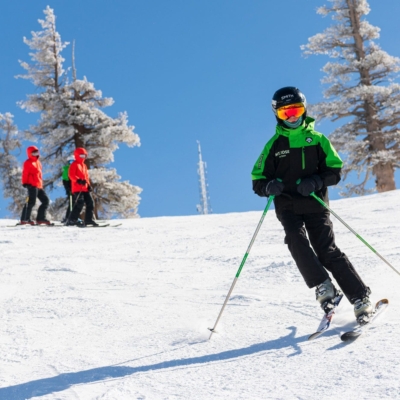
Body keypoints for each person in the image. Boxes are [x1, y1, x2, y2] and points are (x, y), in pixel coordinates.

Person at [251, 86, 373, 324]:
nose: (293, 116)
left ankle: (360, 298)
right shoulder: (274, 146)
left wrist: (316, 181)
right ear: (277, 114)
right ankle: (324, 285)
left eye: (296, 110)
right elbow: (257, 178)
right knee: (295, 241)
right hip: (287, 206)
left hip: (315, 204)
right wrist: (268, 187)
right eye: (286, 113)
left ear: (304, 109)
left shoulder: (318, 140)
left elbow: (335, 171)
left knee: (326, 251)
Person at [67, 147, 98, 227]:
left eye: (84, 155)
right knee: (79, 203)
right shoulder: (74, 164)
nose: (83, 157)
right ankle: (72, 220)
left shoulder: (84, 165)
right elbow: (71, 175)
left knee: (90, 203)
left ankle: (88, 220)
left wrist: (88, 185)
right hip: (77, 188)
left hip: (85, 188)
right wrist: (78, 180)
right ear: (77, 155)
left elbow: (86, 177)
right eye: (81, 156)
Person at [20, 146, 51, 225]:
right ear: (29, 154)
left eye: (36, 152)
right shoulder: (28, 162)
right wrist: (25, 183)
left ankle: (40, 218)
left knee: (45, 201)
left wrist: (41, 184)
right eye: (33, 152)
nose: (35, 154)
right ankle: (25, 219)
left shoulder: (38, 163)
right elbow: (25, 173)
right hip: (31, 185)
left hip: (39, 185)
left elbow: (39, 176)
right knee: (31, 202)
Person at [61, 158, 74, 223]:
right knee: (72, 202)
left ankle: (72, 217)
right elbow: (65, 180)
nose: (71, 163)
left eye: (73, 161)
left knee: (75, 202)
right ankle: (68, 217)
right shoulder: (67, 169)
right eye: (70, 162)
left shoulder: (74, 168)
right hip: (70, 188)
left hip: (74, 187)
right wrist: (68, 188)